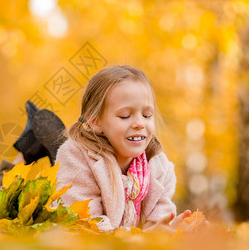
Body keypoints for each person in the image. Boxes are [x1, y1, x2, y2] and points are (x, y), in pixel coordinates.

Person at [55, 65, 191, 231]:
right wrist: (141, 238)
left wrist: (168, 230)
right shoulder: (76, 157)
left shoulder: (159, 166)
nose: (140, 123)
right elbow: (86, 225)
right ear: (95, 121)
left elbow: (157, 222)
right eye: (125, 115)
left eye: (147, 115)